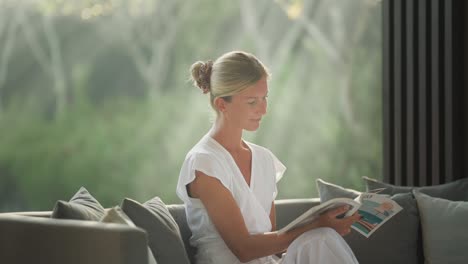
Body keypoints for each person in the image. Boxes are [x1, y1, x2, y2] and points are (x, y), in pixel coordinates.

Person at [176, 51, 360, 264]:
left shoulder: (264, 159)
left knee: (321, 239)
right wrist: (316, 224)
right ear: (222, 104)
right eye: (252, 102)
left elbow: (272, 247)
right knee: (320, 236)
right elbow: (243, 250)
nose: (263, 110)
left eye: (264, 98)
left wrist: (322, 227)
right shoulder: (204, 162)